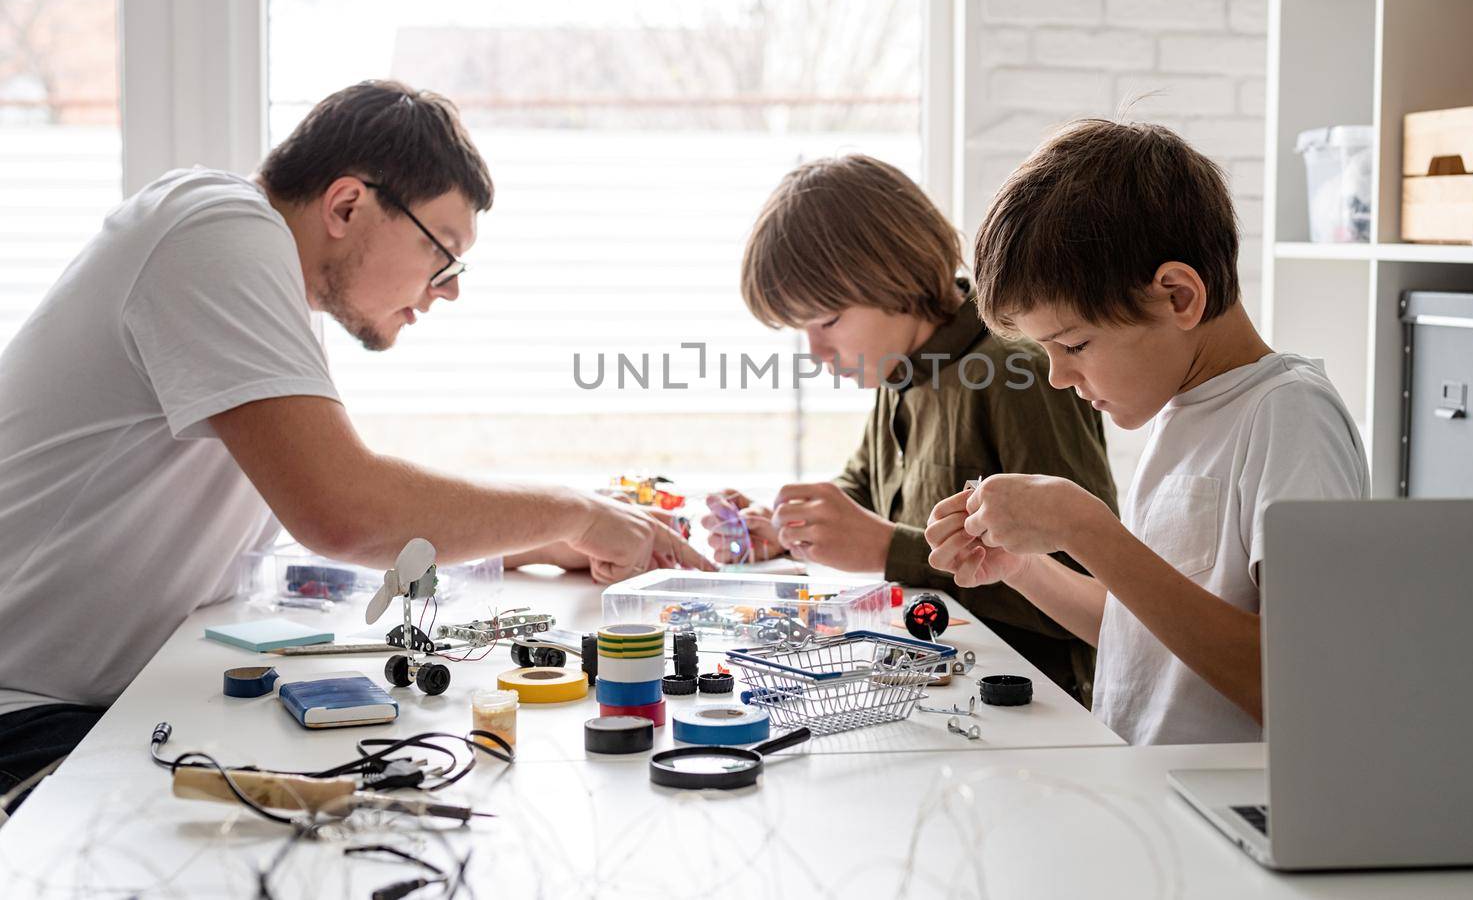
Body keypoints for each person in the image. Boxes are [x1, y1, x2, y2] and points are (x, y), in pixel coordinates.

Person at [0, 80, 710, 805]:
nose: (449, 291)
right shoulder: (214, 229)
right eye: (445, 253)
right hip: (24, 718)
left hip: (91, 704)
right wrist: (570, 512)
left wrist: (534, 543)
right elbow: (345, 510)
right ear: (346, 205)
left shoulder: (266, 288)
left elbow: (310, 531)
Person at [925, 118, 1369, 745]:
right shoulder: (1182, 415)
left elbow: (1301, 685)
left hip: (1222, 820)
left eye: (1074, 342)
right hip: (1154, 798)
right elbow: (1145, 637)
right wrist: (1024, 569)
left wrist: (1087, 529)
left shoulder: (1288, 416)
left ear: (1179, 297)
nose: (1056, 376)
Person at [708, 154, 1117, 703]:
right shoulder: (898, 365)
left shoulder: (1018, 371)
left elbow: (1093, 591)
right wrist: (787, 527)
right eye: (799, 329)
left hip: (1032, 706)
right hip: (927, 682)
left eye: (827, 321)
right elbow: (864, 489)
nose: (816, 352)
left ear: (894, 278)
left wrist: (884, 549)